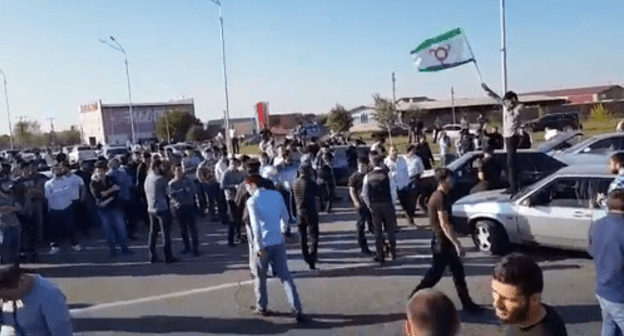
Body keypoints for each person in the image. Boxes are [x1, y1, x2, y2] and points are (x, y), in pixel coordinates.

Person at [408, 168, 482, 314]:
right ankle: (414, 297)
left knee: (457, 273)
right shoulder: (439, 197)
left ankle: (467, 304)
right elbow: (444, 223)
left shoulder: (443, 195)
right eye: (449, 179)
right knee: (435, 275)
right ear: (442, 181)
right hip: (442, 243)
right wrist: (457, 243)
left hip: (443, 242)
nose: (452, 181)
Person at [245, 175, 306, 324]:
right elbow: (285, 216)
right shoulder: (276, 195)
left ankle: (262, 306)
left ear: (253, 185)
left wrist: (258, 245)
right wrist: (283, 230)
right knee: (285, 276)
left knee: (261, 277)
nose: (247, 189)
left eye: (247, 186)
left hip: (263, 243)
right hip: (277, 240)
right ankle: (297, 307)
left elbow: (255, 226)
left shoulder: (252, 201)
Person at [492, 253, 567, 335]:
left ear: (535, 299)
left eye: (510, 299)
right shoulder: (520, 317)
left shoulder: (546, 332)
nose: (497, 304)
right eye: (495, 293)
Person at [589, 189, 624, 336]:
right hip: (620, 295)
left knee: (609, 325)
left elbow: (591, 251)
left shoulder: (596, 225)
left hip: (602, 289)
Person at [0, 265, 73, 335]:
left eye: (7, 297)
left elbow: (61, 332)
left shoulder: (50, 296)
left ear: (21, 282)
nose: (4, 301)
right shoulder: (13, 294)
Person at [482, 84, 523, 194]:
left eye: (507, 101)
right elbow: (497, 98)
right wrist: (487, 90)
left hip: (512, 138)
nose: (505, 103)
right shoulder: (506, 107)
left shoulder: (517, 109)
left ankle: (514, 186)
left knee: (511, 162)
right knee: (510, 162)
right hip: (507, 138)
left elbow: (517, 111)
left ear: (512, 101)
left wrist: (512, 105)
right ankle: (514, 184)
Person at [90, 160, 133, 258]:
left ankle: (124, 248)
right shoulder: (94, 183)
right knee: (108, 231)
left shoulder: (112, 179)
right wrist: (110, 191)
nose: (100, 173)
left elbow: (117, 191)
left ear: (105, 170)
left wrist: (107, 196)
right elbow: (98, 195)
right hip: (103, 211)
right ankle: (112, 250)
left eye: (101, 170)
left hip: (115, 207)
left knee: (122, 229)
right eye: (98, 171)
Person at [361, 155, 397, 265]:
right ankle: (393, 252)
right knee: (390, 230)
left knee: (378, 231)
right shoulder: (387, 175)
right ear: (381, 163)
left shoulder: (367, 176)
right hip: (387, 204)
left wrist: (369, 205)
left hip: (375, 206)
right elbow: (393, 191)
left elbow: (364, 194)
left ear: (372, 163)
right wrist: (393, 204)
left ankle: (380, 254)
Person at [144, 159, 179, 263]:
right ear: (156, 167)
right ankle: (168, 256)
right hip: (162, 208)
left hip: (151, 208)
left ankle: (152, 255)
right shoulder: (161, 179)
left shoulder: (148, 177)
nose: (164, 168)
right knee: (165, 233)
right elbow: (168, 193)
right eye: (162, 166)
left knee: (153, 233)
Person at [44, 164, 80, 255]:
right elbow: (48, 195)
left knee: (70, 227)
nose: (57, 172)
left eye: (59, 169)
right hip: (54, 208)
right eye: (55, 170)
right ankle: (55, 246)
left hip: (67, 206)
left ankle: (74, 244)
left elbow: (71, 193)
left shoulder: (67, 181)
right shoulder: (48, 183)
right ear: (52, 172)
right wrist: (61, 191)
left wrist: (57, 192)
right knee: (54, 229)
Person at [292, 165, 320, 270]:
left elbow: (293, 199)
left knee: (302, 235)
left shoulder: (295, 183)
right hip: (310, 211)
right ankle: (312, 257)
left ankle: (305, 256)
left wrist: (294, 212)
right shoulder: (310, 183)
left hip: (300, 212)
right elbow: (319, 193)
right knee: (313, 235)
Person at [169, 163, 200, 256]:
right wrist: (181, 192)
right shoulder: (172, 183)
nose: (180, 172)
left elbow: (193, 191)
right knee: (183, 229)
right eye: (177, 170)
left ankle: (195, 249)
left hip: (189, 206)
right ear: (174, 172)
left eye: (181, 170)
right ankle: (187, 247)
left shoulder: (188, 180)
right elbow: (171, 195)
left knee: (193, 229)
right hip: (180, 208)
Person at [348, 157, 373, 254]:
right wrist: (356, 202)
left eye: (363, 166)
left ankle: (381, 245)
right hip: (360, 204)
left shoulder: (369, 175)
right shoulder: (354, 177)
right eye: (360, 166)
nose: (361, 168)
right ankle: (363, 246)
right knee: (361, 226)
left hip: (370, 203)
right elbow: (352, 190)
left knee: (374, 225)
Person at [385, 146, 414, 225]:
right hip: (392, 186)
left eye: (396, 151)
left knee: (406, 205)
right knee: (392, 206)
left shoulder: (401, 160)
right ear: (389, 152)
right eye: (392, 151)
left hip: (402, 185)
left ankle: (410, 221)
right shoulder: (386, 162)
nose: (394, 153)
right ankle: (394, 224)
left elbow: (406, 172)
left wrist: (407, 183)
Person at [221, 157, 245, 246]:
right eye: (232, 164)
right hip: (230, 198)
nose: (234, 166)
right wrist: (233, 186)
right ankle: (230, 240)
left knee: (239, 218)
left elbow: (243, 182)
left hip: (238, 198)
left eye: (235, 164)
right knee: (232, 219)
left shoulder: (240, 173)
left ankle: (238, 236)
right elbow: (222, 186)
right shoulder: (226, 174)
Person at [0, 178, 23, 265]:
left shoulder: (12, 197)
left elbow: (18, 208)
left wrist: (7, 209)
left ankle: (14, 270)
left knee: (15, 250)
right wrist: (11, 209)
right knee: (4, 250)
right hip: (3, 227)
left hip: (15, 225)